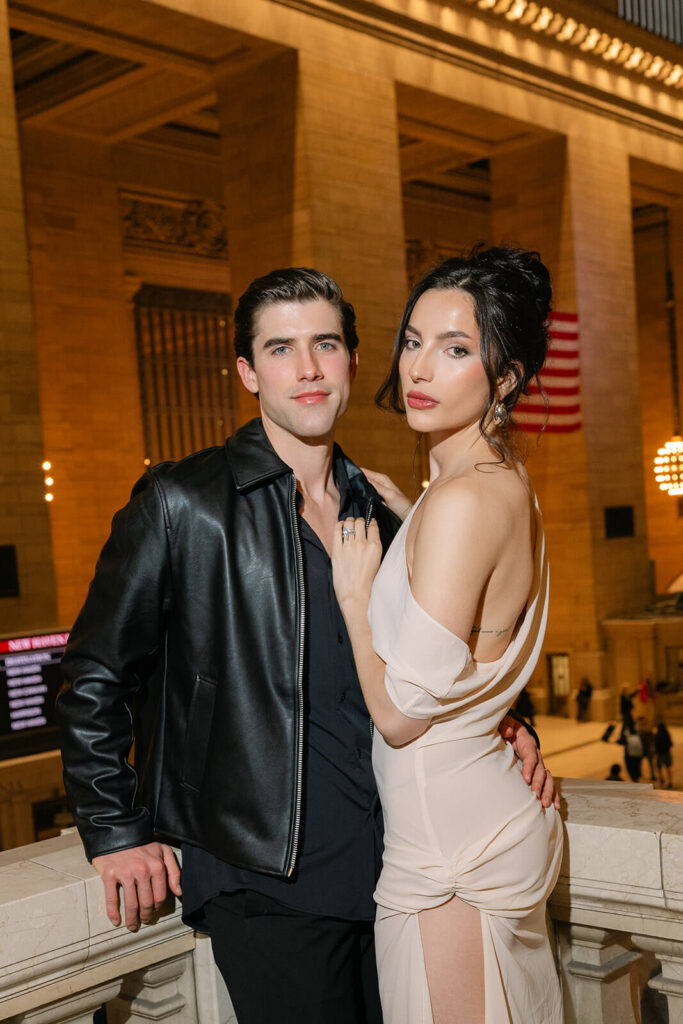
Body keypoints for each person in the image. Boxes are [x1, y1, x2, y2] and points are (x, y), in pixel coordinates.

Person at [56, 266, 556, 1024]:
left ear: (352, 361)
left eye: (325, 344)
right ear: (247, 372)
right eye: (280, 349)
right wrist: (114, 830)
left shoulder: (382, 509)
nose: (308, 368)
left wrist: (500, 724)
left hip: (392, 863)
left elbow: (429, 662)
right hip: (267, 879)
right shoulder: (183, 502)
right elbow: (93, 677)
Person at [331, 246, 563, 1023]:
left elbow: (400, 718)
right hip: (473, 811)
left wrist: (357, 595)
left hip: (446, 848)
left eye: (455, 349)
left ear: (505, 379)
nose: (419, 368)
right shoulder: (495, 481)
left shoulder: (462, 502)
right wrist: (411, 516)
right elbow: (476, 640)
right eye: (412, 340)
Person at [655, 720, 674, 788]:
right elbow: (671, 744)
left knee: (659, 767)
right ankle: (670, 781)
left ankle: (661, 778)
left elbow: (656, 745)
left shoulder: (657, 735)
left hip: (660, 754)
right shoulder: (667, 734)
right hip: (667, 753)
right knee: (668, 768)